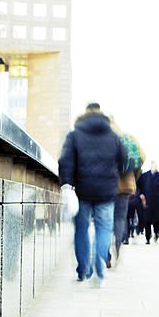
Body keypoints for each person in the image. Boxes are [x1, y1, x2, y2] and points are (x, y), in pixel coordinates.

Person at [58, 102, 126, 287]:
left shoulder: (74, 135)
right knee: (104, 229)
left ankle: (83, 271)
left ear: (84, 115)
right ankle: (99, 262)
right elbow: (124, 161)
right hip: (106, 192)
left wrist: (67, 184)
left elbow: (65, 162)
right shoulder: (113, 136)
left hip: (82, 191)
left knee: (81, 229)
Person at [109, 120, 142, 263]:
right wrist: (134, 176)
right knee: (120, 218)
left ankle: (106, 253)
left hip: (108, 184)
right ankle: (118, 245)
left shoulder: (107, 137)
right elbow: (142, 157)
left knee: (106, 217)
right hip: (125, 186)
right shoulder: (129, 138)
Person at [136, 161, 159, 244]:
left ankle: (156, 234)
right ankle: (147, 237)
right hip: (147, 201)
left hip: (158, 201)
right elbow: (138, 187)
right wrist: (140, 195)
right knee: (147, 220)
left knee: (158, 220)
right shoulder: (144, 176)